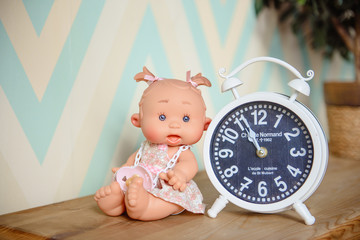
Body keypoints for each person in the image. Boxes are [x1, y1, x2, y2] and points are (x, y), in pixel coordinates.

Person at [94, 67, 212, 221]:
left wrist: (180, 175)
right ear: (138, 121)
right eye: (162, 117)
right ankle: (116, 202)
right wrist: (124, 168)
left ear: (205, 125)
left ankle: (147, 207)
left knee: (172, 200)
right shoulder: (145, 147)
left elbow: (190, 164)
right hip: (139, 181)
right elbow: (134, 160)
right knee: (127, 187)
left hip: (167, 186)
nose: (175, 125)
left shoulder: (182, 152)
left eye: (186, 119)